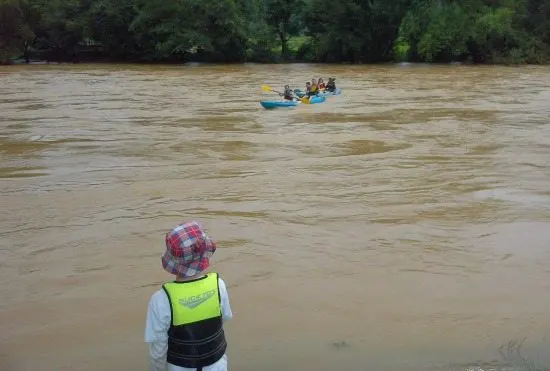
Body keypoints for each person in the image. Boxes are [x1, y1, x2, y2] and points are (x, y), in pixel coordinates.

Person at [145, 221, 233, 371]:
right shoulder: (219, 285)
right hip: (216, 365)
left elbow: (158, 351)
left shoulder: (161, 299)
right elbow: (224, 318)